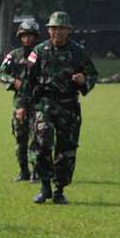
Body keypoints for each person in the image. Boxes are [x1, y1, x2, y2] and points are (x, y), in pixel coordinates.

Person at [20, 11, 98, 205]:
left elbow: (92, 74)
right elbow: (27, 81)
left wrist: (83, 81)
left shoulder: (78, 51)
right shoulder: (38, 51)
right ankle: (44, 185)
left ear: (68, 31)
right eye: (54, 28)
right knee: (42, 143)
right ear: (48, 30)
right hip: (44, 105)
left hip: (68, 107)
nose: (57, 32)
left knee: (66, 150)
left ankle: (59, 190)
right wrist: (23, 105)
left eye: (61, 29)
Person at [0, 19, 41, 182]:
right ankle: (24, 171)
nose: (27, 39)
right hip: (20, 104)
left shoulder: (42, 53)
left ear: (36, 37)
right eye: (24, 36)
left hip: (39, 103)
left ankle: (37, 171)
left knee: (38, 139)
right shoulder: (14, 55)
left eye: (30, 35)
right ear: (20, 37)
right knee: (20, 139)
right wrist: (13, 81)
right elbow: (1, 73)